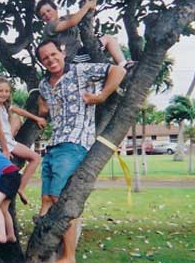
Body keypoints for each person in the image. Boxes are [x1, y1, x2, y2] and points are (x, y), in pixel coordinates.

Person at [36, 39, 125, 263]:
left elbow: (117, 71)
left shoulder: (81, 70)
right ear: (41, 62)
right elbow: (44, 105)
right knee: (46, 199)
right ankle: (44, 250)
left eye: (53, 54)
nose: (51, 60)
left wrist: (101, 96)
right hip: (53, 144)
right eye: (45, 58)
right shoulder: (45, 84)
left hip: (74, 143)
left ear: (62, 52)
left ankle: (68, 255)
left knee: (63, 199)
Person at [35, 0, 134, 68]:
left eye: (48, 11)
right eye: (43, 15)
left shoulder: (64, 18)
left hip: (79, 53)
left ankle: (121, 66)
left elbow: (86, 13)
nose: (46, 15)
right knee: (108, 39)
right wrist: (86, 6)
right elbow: (73, 21)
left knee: (108, 43)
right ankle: (123, 65)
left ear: (56, 9)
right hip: (73, 57)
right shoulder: (50, 27)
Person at [0, 76, 47, 205]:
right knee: (35, 158)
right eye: (0, 91)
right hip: (4, 142)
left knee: (16, 118)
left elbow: (18, 110)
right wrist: (5, 150)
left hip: (8, 140)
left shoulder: (1, 105)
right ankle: (21, 188)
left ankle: (20, 187)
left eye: (7, 91)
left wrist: (37, 118)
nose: (4, 94)